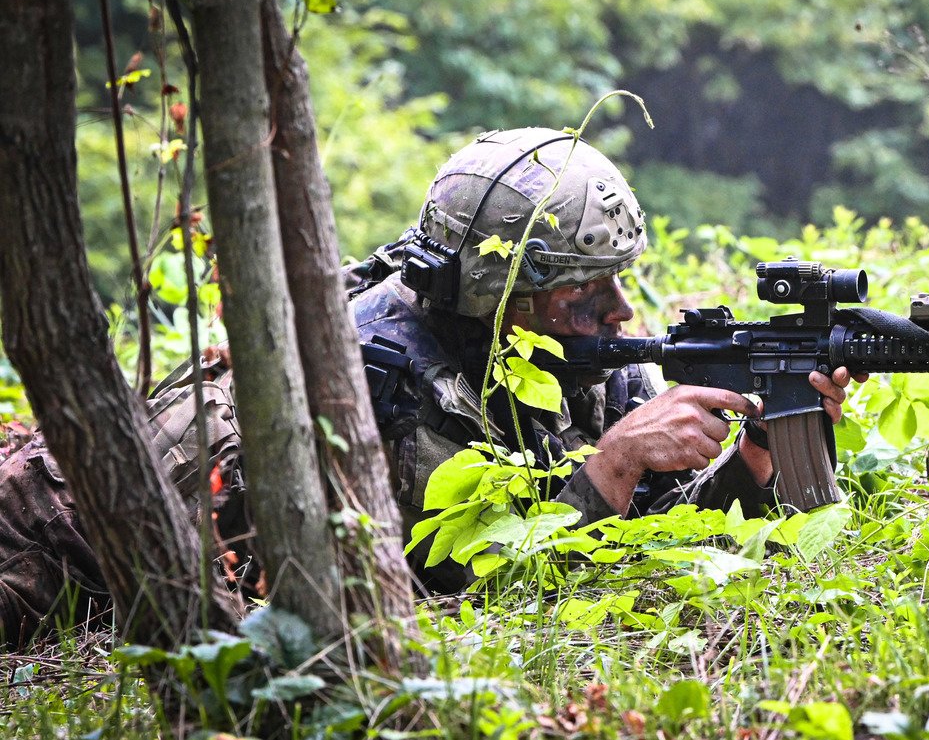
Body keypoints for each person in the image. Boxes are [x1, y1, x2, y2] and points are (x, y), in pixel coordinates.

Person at [0, 127, 860, 642]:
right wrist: (608, 467)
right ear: (504, 299)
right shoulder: (384, 384)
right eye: (583, 290)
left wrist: (755, 457)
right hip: (57, 532)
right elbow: (442, 597)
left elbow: (649, 535)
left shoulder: (569, 348)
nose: (619, 309)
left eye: (615, 281)